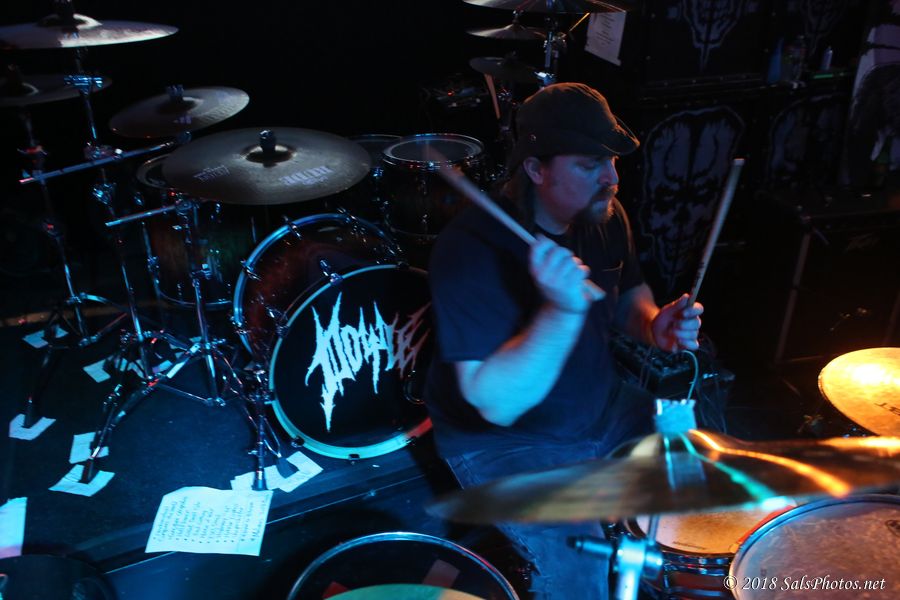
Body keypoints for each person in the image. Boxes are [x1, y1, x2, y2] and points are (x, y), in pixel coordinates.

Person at [424, 82, 704, 599]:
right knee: (582, 575)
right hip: (507, 443)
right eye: (590, 164)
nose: (612, 178)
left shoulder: (602, 215)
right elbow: (496, 404)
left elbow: (628, 294)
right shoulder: (469, 248)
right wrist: (560, 310)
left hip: (599, 406)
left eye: (613, 161)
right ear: (536, 169)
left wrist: (653, 325)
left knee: (702, 472)